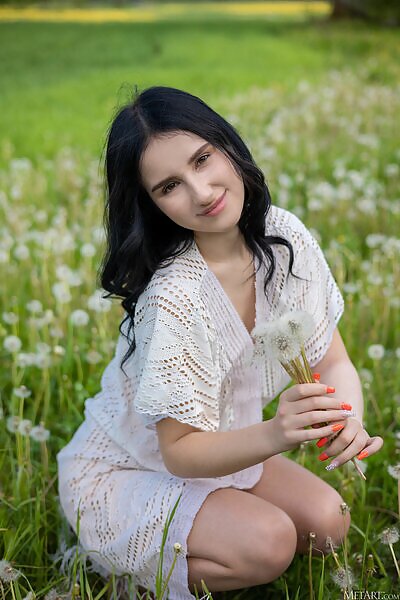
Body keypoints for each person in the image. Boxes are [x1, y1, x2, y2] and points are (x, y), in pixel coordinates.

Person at [57, 85, 383, 600]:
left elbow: (334, 359)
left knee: (330, 522)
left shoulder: (284, 238)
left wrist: (349, 418)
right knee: (270, 544)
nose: (202, 191)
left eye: (203, 159)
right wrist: (278, 433)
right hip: (124, 469)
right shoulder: (174, 296)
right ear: (152, 204)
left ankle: (208, 533)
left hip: (226, 449)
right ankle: (131, 574)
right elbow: (180, 452)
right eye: (170, 186)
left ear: (227, 144)